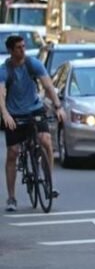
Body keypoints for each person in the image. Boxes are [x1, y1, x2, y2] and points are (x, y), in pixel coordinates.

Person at [0, 35, 65, 212]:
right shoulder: (5, 70)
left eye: (23, 46)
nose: (23, 50)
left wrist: (58, 106)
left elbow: (48, 86)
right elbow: (1, 93)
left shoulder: (32, 64)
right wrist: (5, 114)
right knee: (13, 152)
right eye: (19, 48)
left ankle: (48, 182)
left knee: (45, 140)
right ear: (11, 51)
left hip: (35, 109)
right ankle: (11, 197)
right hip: (14, 114)